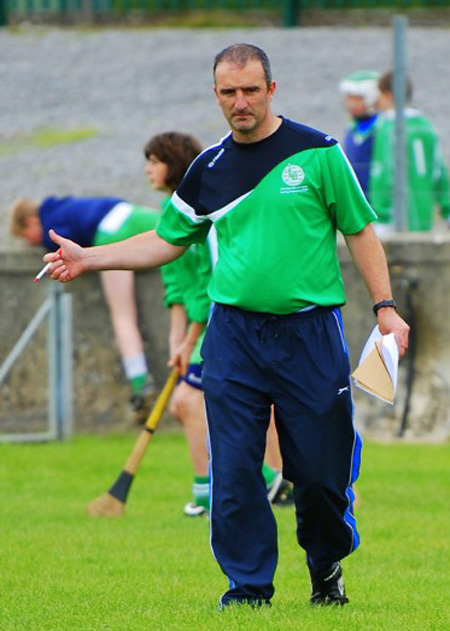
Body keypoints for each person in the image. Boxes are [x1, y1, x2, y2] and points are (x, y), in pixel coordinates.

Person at [42, 44, 409, 609]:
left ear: (271, 89)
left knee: (319, 476)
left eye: (250, 90)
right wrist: (90, 257)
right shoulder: (208, 169)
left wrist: (384, 307)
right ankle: (248, 589)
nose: (240, 102)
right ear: (216, 94)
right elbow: (167, 239)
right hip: (234, 335)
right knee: (234, 469)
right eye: (228, 92)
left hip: (310, 333)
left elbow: (359, 231)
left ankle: (326, 563)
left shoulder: (319, 153)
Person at [144, 131, 293, 515]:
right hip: (197, 327)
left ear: (172, 164)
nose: (148, 169)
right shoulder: (170, 213)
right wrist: (176, 343)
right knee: (192, 403)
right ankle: (241, 483)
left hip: (218, 323)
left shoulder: (204, 211)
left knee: (191, 402)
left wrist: (190, 337)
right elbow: (177, 287)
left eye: (154, 161)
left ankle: (237, 484)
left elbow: (208, 285)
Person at [9, 196, 160, 425]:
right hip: (133, 213)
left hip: (111, 235)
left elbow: (66, 251)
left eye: (25, 236)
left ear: (30, 221)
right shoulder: (66, 206)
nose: (29, 243)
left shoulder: (52, 226)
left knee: (122, 315)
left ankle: (140, 383)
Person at [369, 70, 450, 233]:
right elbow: (439, 172)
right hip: (423, 220)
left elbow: (383, 174)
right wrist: (447, 210)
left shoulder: (387, 127)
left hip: (390, 222)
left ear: (389, 95)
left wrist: (380, 214)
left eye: (380, 95)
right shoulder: (427, 126)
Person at [339, 70, 380, 200]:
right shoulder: (352, 128)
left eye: (359, 99)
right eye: (350, 98)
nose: (353, 104)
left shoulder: (383, 127)